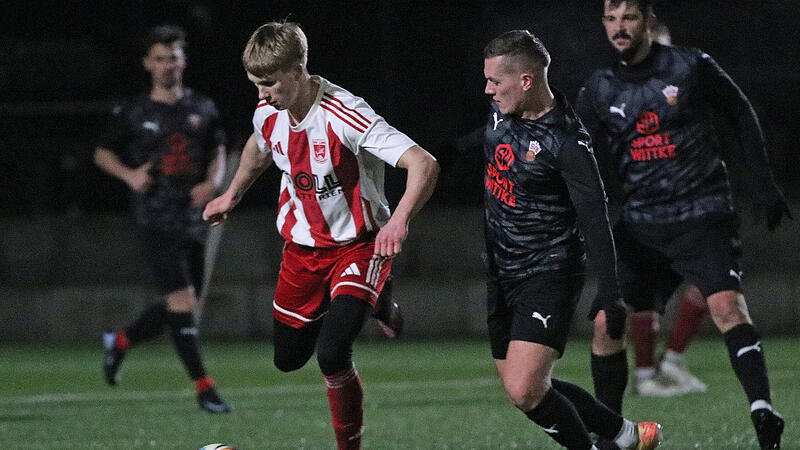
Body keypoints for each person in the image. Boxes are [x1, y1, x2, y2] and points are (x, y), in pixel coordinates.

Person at [202, 21, 439, 449]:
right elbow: (259, 146)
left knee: (332, 355)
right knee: (288, 360)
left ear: (297, 72)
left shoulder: (346, 113)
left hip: (360, 246)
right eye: (255, 84)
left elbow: (423, 163)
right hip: (301, 252)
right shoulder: (268, 112)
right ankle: (377, 299)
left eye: (268, 83)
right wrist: (231, 195)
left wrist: (398, 220)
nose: (261, 95)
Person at [576, 1, 790, 448]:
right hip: (640, 224)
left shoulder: (690, 66)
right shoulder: (599, 87)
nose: (619, 27)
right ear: (603, 24)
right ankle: (612, 435)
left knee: (727, 307)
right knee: (603, 324)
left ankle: (763, 413)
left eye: (629, 18)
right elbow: (583, 158)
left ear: (648, 23)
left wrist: (764, 185)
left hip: (701, 215)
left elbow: (739, 111)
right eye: (611, 19)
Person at [481, 29, 661, 450]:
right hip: (499, 270)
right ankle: (625, 434)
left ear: (526, 80)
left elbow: (596, 218)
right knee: (524, 388)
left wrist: (611, 293)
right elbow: (486, 143)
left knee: (526, 389)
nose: (487, 90)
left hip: (547, 272)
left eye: (495, 81)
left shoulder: (567, 143)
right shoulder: (500, 113)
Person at [94, 24, 231, 413]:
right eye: (160, 58)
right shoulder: (133, 111)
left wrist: (212, 181)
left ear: (183, 61)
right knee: (182, 301)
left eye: (173, 57)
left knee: (183, 307)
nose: (168, 65)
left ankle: (119, 342)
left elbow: (219, 148)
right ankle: (205, 388)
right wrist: (130, 175)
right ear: (148, 64)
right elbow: (102, 153)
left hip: (193, 219)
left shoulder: (202, 108)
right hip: (153, 218)